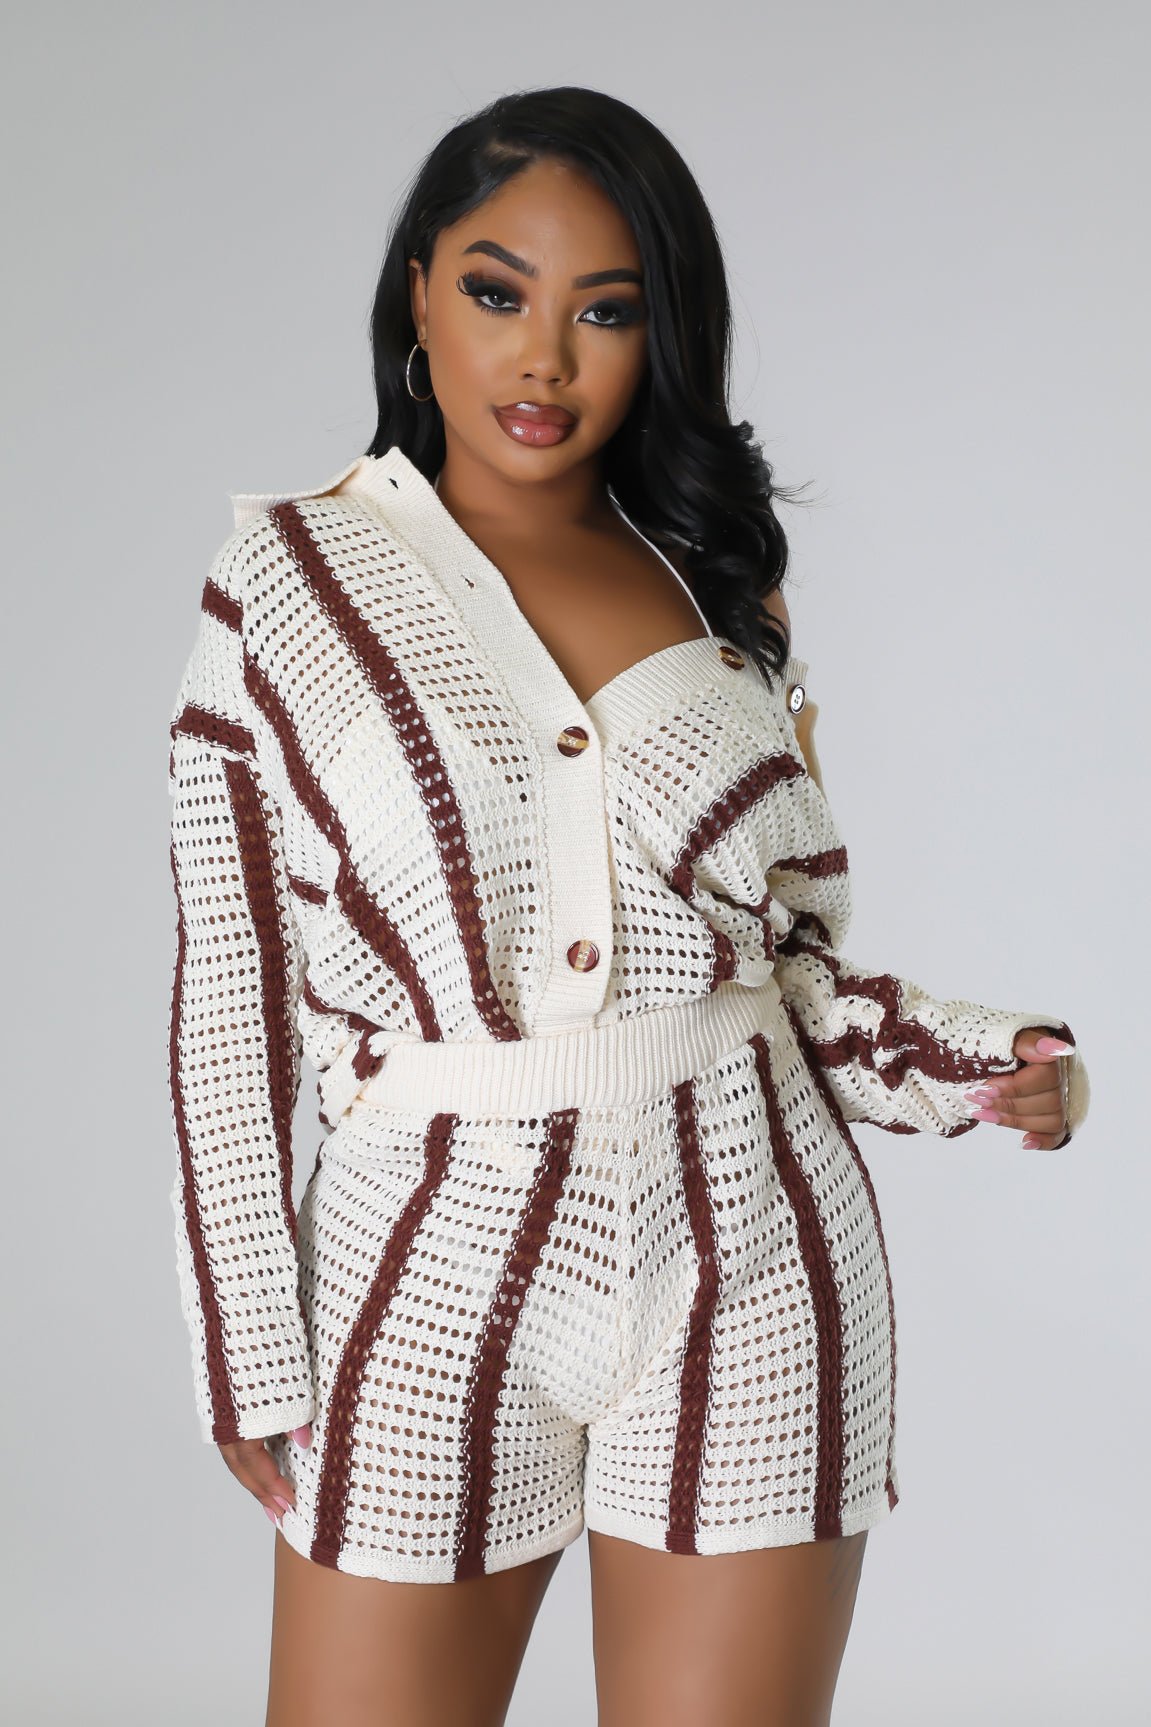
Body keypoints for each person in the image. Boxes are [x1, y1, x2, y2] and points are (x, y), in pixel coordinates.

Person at [165, 86, 1090, 1727]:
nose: (544, 360)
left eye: (606, 311)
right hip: (422, 1263)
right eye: (497, 292)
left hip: (760, 1249)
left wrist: (982, 1060)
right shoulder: (288, 586)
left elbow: (784, 979)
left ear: (663, 334)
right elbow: (228, 1009)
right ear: (417, 294)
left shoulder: (720, 586)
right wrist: (245, 1340)